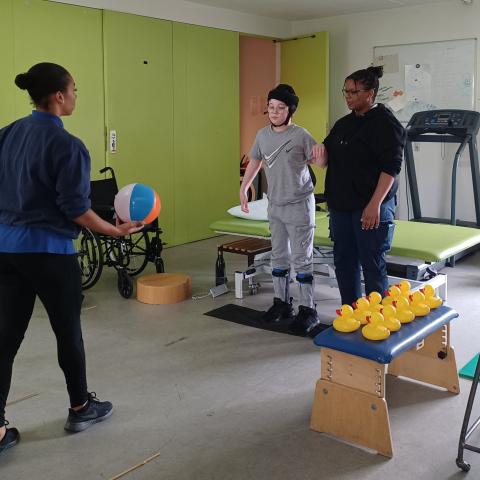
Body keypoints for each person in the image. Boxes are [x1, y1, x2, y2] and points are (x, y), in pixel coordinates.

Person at [0, 62, 143, 454]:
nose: (76, 96)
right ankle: (81, 407)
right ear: (60, 96)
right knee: (68, 331)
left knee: (5, 338)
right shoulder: (69, 145)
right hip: (49, 252)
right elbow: (76, 210)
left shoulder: (8, 133)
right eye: (74, 89)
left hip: (7, 250)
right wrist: (115, 230)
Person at [240, 84, 326, 336]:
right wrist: (244, 187)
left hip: (299, 205)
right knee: (278, 257)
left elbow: (320, 162)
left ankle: (308, 309)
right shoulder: (262, 135)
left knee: (302, 260)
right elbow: (256, 161)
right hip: (275, 205)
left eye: (280, 108)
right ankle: (282, 303)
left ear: (291, 110)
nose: (274, 112)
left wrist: (321, 156)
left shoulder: (301, 135)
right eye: (271, 108)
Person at [316, 66, 406, 307]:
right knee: (344, 263)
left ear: (371, 93)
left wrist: (374, 205)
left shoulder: (386, 124)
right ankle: (351, 313)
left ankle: (378, 318)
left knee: (372, 264)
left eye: (354, 92)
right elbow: (326, 158)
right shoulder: (343, 124)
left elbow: (391, 169)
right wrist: (316, 152)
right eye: (345, 91)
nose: (348, 96)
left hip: (370, 206)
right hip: (341, 206)